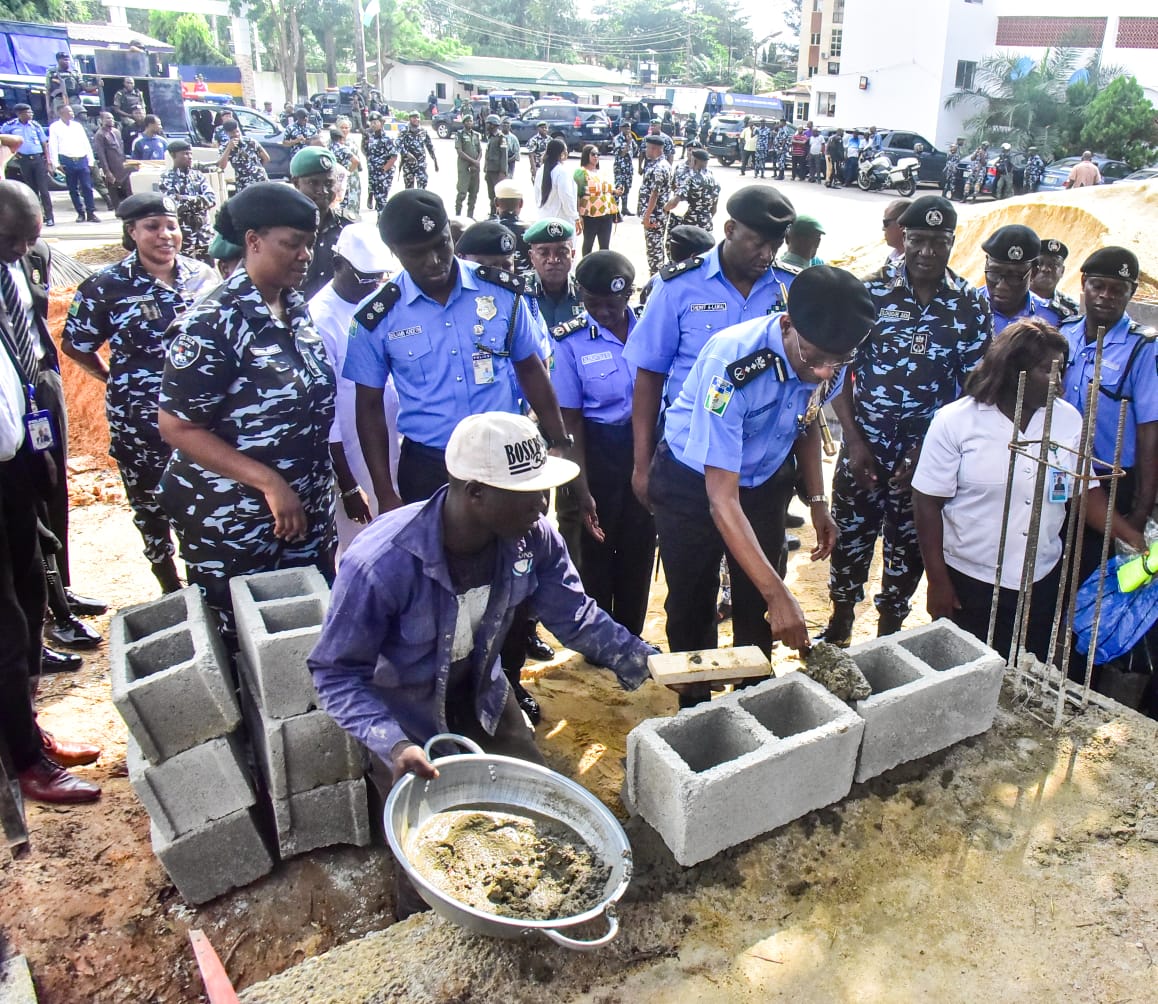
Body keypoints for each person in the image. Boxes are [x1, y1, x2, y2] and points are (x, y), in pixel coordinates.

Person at [307, 410, 657, 811]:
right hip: (406, 716)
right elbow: (335, 674)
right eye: (528, 492)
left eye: (543, 490)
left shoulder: (532, 538)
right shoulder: (380, 564)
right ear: (476, 492)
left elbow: (575, 614)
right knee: (436, 835)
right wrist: (394, 743)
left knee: (534, 806)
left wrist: (648, 663)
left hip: (483, 694)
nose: (543, 505)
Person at [650, 266, 874, 706]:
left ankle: (754, 701)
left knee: (759, 600)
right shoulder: (734, 365)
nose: (825, 370)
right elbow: (721, 500)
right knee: (693, 602)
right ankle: (696, 707)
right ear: (788, 325)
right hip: (695, 486)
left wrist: (816, 500)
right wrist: (781, 595)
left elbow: (806, 420)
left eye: (838, 361)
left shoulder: (827, 353)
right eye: (814, 359)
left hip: (765, 480)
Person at [156, 183, 335, 635]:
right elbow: (178, 427)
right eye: (291, 244)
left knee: (306, 633)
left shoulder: (294, 309)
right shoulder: (213, 323)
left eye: (308, 245)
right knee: (246, 642)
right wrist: (269, 482)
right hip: (235, 519)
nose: (304, 256)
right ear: (253, 241)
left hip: (304, 511)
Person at [913, 318, 1144, 663]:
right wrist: (937, 580)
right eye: (1044, 371)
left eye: (1061, 370)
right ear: (1012, 370)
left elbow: (1084, 492)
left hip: (1040, 577)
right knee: (968, 671)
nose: (1058, 381)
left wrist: (1133, 539)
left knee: (1024, 671)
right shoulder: (957, 421)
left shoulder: (1067, 420)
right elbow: (926, 503)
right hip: (971, 578)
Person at [819, 196, 992, 646]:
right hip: (865, 447)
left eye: (938, 242)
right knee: (852, 536)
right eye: (918, 240)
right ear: (903, 238)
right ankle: (840, 620)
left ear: (953, 242)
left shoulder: (971, 304)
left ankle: (888, 633)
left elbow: (975, 386)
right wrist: (854, 442)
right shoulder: (870, 292)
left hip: (930, 454)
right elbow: (837, 371)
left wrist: (929, 448)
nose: (927, 252)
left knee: (909, 548)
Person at [343, 189, 570, 512]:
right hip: (430, 465)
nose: (434, 261)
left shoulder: (501, 291)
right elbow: (368, 407)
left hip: (505, 456)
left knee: (515, 556)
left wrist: (558, 439)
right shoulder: (377, 317)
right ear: (394, 252)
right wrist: (385, 492)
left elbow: (531, 368)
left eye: (441, 245)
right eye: (417, 253)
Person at [62, 193, 218, 593]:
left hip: (202, 422)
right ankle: (169, 586)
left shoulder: (204, 276)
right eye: (152, 227)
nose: (166, 235)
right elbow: (76, 345)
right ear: (131, 232)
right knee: (151, 507)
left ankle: (208, 580)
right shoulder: (105, 286)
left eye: (172, 225)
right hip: (141, 425)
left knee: (207, 500)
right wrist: (115, 380)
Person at [1, 242, 102, 803]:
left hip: (13, 465)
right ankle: (23, 762)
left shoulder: (10, 276)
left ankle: (27, 734)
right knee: (5, 631)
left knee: (25, 596)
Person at [625, 186, 798, 511]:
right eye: (758, 243)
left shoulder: (790, 288)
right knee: (691, 561)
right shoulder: (678, 287)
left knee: (758, 561)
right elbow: (649, 376)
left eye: (775, 245)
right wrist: (641, 464)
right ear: (730, 229)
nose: (767, 255)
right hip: (690, 459)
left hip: (762, 467)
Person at [0, 179, 107, 666]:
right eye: (12, 240)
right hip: (6, 408)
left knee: (52, 492)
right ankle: (39, 624)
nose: (23, 248)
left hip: (38, 386)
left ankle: (58, 590)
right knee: (22, 515)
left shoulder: (28, 254)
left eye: (30, 237)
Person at [551, 251, 654, 634]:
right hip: (594, 450)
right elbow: (570, 421)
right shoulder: (569, 340)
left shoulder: (651, 328)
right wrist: (581, 486)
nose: (603, 312)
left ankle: (631, 633)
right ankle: (600, 636)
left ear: (629, 293)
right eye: (593, 303)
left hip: (645, 447)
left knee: (640, 544)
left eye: (612, 303)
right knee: (593, 544)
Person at [1059, 247, 1158, 578]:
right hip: (1059, 471)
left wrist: (1141, 509)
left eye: (1118, 289)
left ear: (1130, 294)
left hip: (1110, 480)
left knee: (1093, 576)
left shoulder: (1142, 348)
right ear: (1084, 284)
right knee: (1053, 566)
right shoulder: (1064, 333)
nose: (1106, 296)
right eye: (1098, 286)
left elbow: (1149, 432)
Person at [308, 222, 398, 556]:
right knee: (361, 544)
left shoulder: (378, 305)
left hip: (389, 440)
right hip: (351, 453)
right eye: (364, 278)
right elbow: (327, 409)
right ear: (337, 266)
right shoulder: (321, 318)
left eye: (380, 277)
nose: (373, 286)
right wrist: (347, 485)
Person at [289, 146, 356, 299]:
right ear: (296, 183)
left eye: (328, 183)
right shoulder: (282, 227)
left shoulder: (348, 226)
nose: (323, 190)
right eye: (313, 183)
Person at [978, 225, 1065, 336]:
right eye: (994, 273)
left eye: (1014, 277)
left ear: (1033, 273)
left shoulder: (1053, 318)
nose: (1002, 286)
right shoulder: (966, 307)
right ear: (986, 265)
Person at [158, 140, 216, 261]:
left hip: (204, 233)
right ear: (174, 156)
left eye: (190, 154)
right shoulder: (166, 179)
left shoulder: (198, 176)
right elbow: (173, 205)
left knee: (208, 270)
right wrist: (198, 201)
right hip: (184, 235)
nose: (189, 157)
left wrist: (184, 198)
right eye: (185, 154)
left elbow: (211, 199)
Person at [0, 104, 55, 226]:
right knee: (31, 190)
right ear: (20, 114)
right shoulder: (10, 126)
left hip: (38, 159)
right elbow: (3, 141)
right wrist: (14, 154)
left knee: (44, 190)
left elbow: (44, 143)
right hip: (23, 160)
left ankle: (50, 217)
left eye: (31, 112)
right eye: (28, 112)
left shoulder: (35, 125)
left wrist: (48, 160)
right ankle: (37, 218)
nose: (31, 114)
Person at [48, 105, 99, 224]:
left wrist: (90, 160)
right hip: (67, 160)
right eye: (69, 111)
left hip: (81, 158)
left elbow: (85, 143)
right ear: (62, 113)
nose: (72, 113)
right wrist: (56, 163)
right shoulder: (55, 127)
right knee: (73, 188)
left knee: (87, 187)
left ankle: (91, 212)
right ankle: (80, 213)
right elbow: (53, 145)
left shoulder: (77, 126)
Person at [574, 145, 620, 255]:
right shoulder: (581, 173)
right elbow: (577, 195)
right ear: (586, 155)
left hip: (606, 212)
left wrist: (615, 191)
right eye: (593, 154)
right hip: (590, 214)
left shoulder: (600, 172)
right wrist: (578, 215)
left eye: (598, 154)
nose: (596, 156)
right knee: (588, 244)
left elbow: (606, 189)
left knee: (605, 246)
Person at [638, 135, 674, 276]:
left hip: (654, 215)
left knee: (654, 251)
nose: (646, 150)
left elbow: (655, 193)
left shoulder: (659, 167)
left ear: (654, 148)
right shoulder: (662, 164)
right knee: (656, 248)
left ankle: (656, 280)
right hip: (658, 214)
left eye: (647, 147)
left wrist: (647, 216)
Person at [664, 148, 718, 233]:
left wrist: (665, 209)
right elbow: (714, 209)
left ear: (694, 160)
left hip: (689, 225)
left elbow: (675, 202)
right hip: (706, 225)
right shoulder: (714, 180)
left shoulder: (690, 178)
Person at [532, 137, 578, 231]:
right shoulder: (562, 172)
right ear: (561, 153)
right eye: (565, 150)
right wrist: (575, 216)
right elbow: (566, 196)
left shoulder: (541, 170)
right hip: (561, 221)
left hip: (543, 219)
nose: (567, 153)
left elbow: (537, 195)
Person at [216, 118, 269, 192]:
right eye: (232, 133)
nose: (236, 135)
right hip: (244, 184)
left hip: (259, 180)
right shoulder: (224, 147)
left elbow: (266, 158)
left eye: (237, 131)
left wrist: (256, 168)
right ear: (227, 133)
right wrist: (228, 149)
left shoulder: (250, 142)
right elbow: (221, 166)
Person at [92, 111, 130, 211]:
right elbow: (101, 154)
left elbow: (121, 149)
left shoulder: (117, 131)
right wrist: (107, 171)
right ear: (101, 120)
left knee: (128, 190)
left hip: (122, 165)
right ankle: (117, 210)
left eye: (112, 118)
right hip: (111, 167)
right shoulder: (99, 135)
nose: (111, 120)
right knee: (113, 191)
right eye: (108, 118)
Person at [1030, 238, 1079, 316]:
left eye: (1053, 265)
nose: (1045, 269)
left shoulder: (1073, 310)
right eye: (1040, 263)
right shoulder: (1012, 298)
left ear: (1062, 271)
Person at [362, 111, 398, 211]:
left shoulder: (387, 138)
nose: (373, 125)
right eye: (371, 122)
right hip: (373, 173)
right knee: (377, 198)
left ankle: (381, 221)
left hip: (383, 173)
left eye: (375, 122)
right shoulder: (371, 137)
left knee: (382, 199)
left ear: (382, 123)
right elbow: (367, 151)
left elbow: (394, 157)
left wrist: (383, 170)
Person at [493, 178, 531, 273]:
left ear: (496, 203)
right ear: (521, 203)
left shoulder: (487, 230)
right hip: (525, 284)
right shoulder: (530, 231)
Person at [398, 111, 438, 190]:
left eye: (417, 117)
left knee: (422, 185)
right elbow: (397, 144)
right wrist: (407, 154)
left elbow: (429, 146)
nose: (416, 119)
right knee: (409, 188)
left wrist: (435, 161)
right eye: (414, 118)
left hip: (421, 164)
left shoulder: (423, 131)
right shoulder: (404, 130)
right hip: (408, 164)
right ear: (410, 119)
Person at [453, 113, 481, 218]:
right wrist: (473, 162)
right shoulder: (459, 134)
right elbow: (459, 151)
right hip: (464, 168)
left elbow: (480, 151)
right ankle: (458, 215)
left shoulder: (476, 135)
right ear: (464, 123)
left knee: (474, 193)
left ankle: (470, 215)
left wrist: (477, 162)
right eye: (467, 121)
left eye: (471, 121)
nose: (469, 123)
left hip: (475, 168)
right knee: (462, 192)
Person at [331, 117, 361, 215]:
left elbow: (357, 158)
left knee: (353, 200)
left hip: (352, 175)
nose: (344, 130)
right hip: (338, 176)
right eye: (342, 127)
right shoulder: (331, 142)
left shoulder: (352, 141)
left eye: (346, 127)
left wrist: (351, 172)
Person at [45, 50, 86, 122]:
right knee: (59, 119)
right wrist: (48, 107)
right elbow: (48, 90)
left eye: (68, 60)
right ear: (58, 60)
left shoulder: (74, 72)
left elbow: (83, 87)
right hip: (59, 99)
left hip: (73, 99)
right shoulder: (52, 73)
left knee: (76, 118)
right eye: (64, 60)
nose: (67, 62)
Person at [611, 120, 638, 217]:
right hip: (620, 167)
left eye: (629, 127)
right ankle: (615, 211)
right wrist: (627, 143)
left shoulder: (630, 138)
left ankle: (624, 208)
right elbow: (621, 153)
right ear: (621, 128)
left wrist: (630, 142)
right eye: (625, 127)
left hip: (628, 167)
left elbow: (635, 150)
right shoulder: (618, 139)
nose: (628, 129)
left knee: (627, 188)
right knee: (619, 187)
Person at [482, 115, 508, 212]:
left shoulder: (501, 138)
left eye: (488, 124)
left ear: (493, 125)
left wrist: (502, 172)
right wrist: (485, 168)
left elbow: (504, 156)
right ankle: (492, 211)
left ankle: (498, 212)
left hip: (497, 171)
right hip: (490, 170)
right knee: (491, 193)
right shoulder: (490, 137)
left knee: (498, 194)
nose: (487, 126)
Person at [881, 198, 910, 270]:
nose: (883, 228)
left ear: (902, 225)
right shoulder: (894, 257)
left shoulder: (910, 266)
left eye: (885, 223)